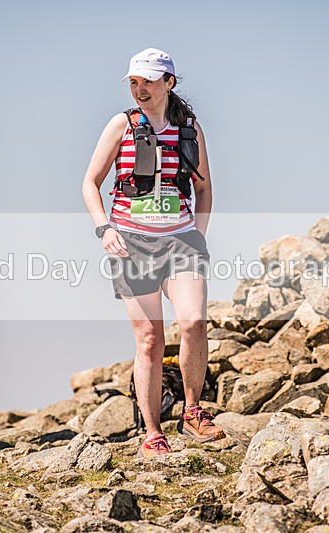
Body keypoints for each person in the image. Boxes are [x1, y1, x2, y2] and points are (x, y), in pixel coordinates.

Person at [82, 48, 224, 457]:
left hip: (181, 239)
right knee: (149, 340)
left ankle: (194, 411)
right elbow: (90, 182)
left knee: (194, 321)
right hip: (131, 242)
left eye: (147, 81)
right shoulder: (121, 125)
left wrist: (197, 234)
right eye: (134, 82)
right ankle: (152, 432)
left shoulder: (190, 129)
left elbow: (204, 188)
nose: (140, 89)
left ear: (168, 83)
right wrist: (103, 227)